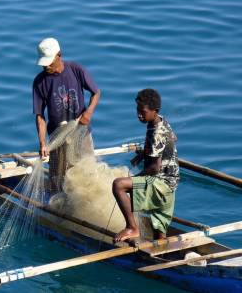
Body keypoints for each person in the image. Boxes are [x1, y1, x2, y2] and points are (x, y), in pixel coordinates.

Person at [32, 37, 101, 193]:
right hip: (57, 136)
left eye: (49, 62)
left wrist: (88, 112)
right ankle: (58, 205)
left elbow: (96, 92)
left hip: (81, 132)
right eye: (44, 63)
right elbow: (40, 116)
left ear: (59, 55)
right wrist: (43, 142)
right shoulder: (39, 82)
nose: (46, 66)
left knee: (86, 171)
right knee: (58, 176)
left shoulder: (76, 70)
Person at [112, 88, 179, 242]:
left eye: (142, 111)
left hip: (161, 183)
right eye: (137, 110)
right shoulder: (160, 121)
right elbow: (173, 138)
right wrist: (143, 153)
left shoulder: (156, 132)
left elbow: (155, 167)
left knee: (119, 185)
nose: (139, 114)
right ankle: (162, 256)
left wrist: (138, 176)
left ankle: (132, 228)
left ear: (155, 111)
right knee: (159, 234)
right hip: (172, 181)